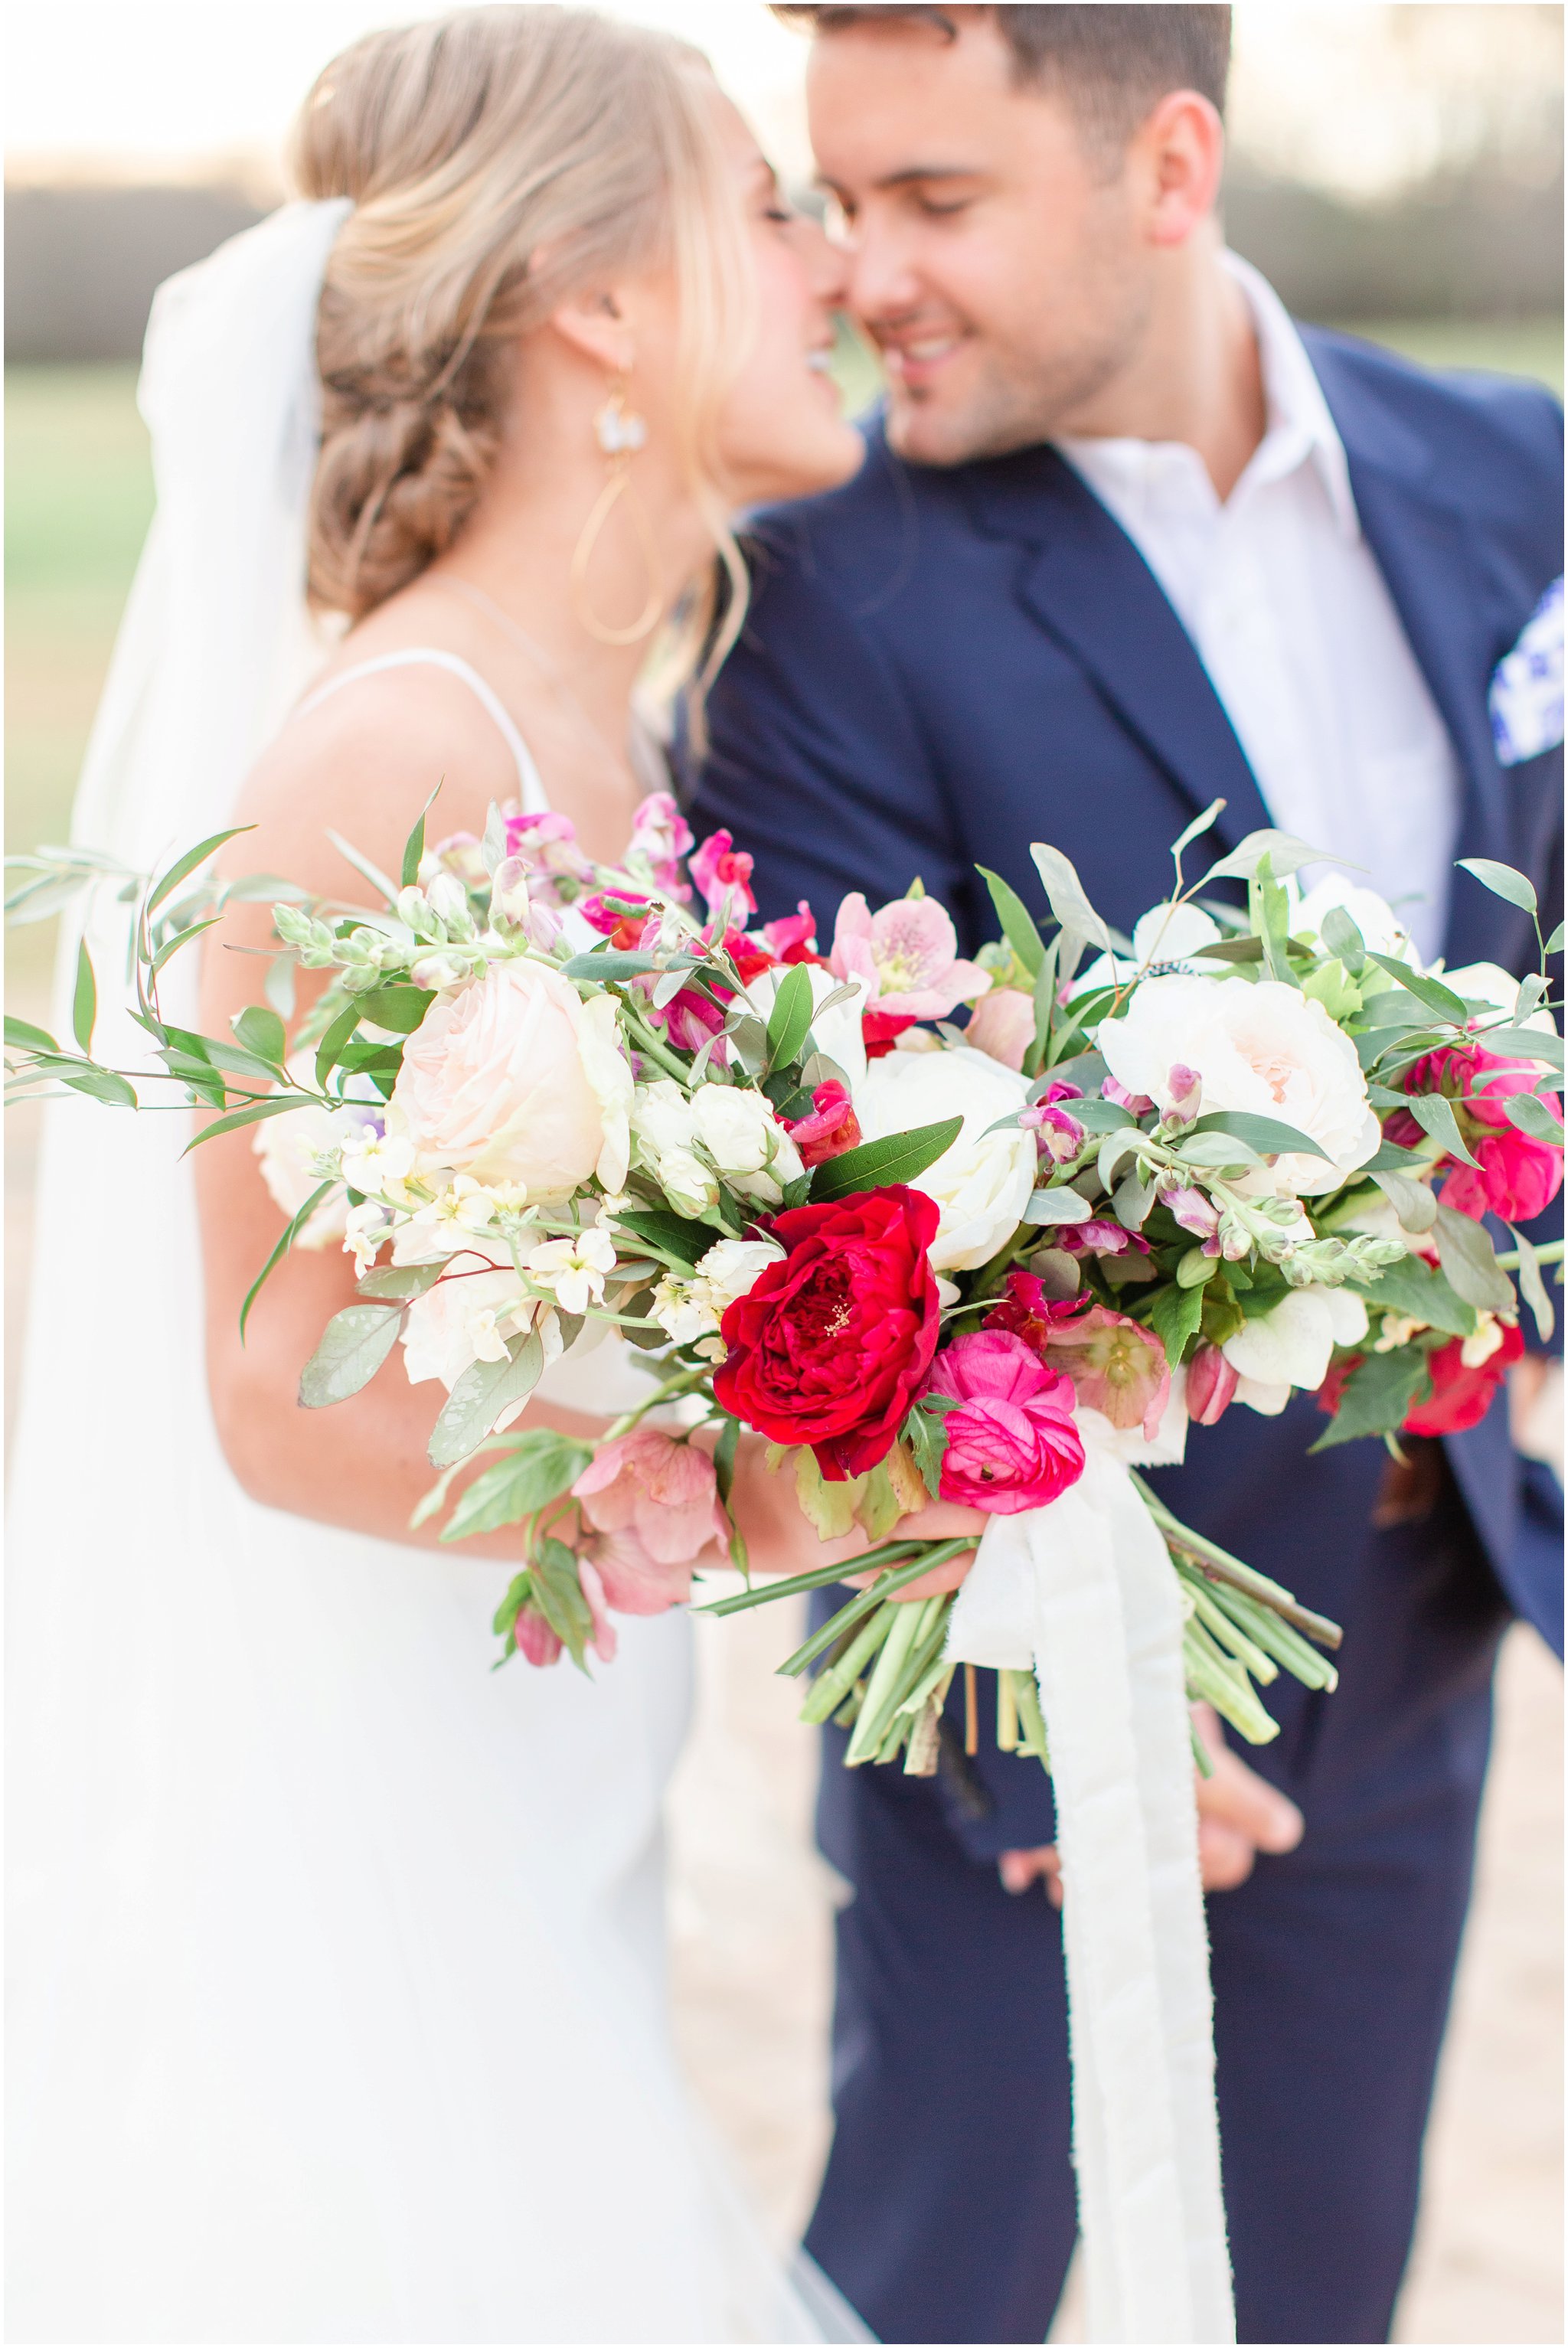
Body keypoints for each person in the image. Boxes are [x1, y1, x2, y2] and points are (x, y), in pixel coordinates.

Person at [691, 6, 1564, 2342]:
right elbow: (837, 1216)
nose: (862, 270)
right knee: (938, 2279)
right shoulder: (823, 604)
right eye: (838, 196)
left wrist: (1519, 1296)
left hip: (1399, 1622)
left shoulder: (1514, 479)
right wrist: (1034, 1705)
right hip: (1035, 1635)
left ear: (1168, 169)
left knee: (1321, 2295)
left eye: (935, 202)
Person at [6, 11, 866, 2340]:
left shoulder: (634, 736)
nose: (835, 261)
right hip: (387, 1829)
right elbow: (281, 1392)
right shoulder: (391, 748)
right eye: (773, 204)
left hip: (567, 1781)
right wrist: (761, 1475)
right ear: (599, 299)